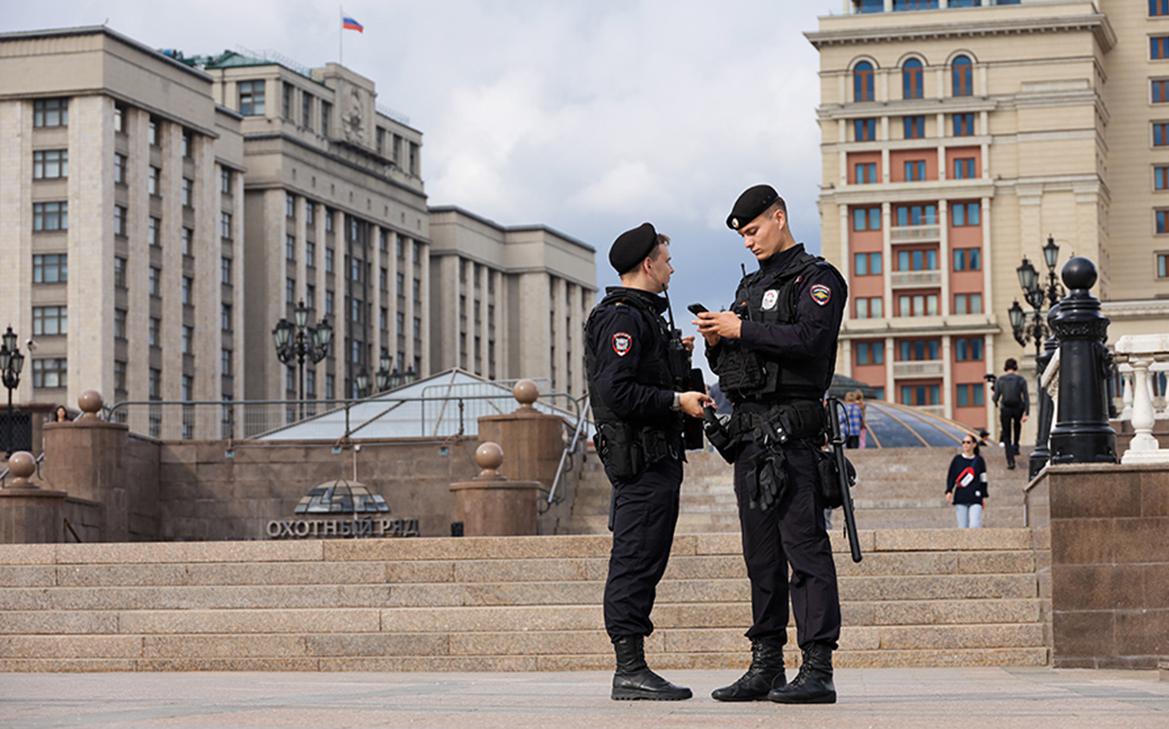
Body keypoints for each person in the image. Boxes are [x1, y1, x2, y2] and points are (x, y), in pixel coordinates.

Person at [695, 184, 847, 705]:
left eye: (754, 230)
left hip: (794, 435)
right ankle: (766, 663)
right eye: (742, 235)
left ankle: (818, 666)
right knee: (760, 557)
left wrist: (745, 327)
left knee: (804, 551)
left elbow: (810, 341)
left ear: (779, 218)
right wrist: (720, 344)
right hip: (751, 437)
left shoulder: (817, 279)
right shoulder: (748, 289)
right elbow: (738, 369)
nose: (749, 242)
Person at [585, 221, 712, 701]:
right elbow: (616, 390)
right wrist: (675, 400)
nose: (671, 267)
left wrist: (672, 359)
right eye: (666, 259)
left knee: (646, 556)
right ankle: (630, 668)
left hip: (656, 458)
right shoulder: (622, 317)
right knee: (635, 559)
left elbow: (635, 376)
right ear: (648, 264)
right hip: (641, 461)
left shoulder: (643, 318)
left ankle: (634, 666)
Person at [993, 358, 1029, 470]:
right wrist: (1027, 412)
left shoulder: (1000, 380)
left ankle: (1010, 461)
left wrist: (995, 402)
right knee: (1017, 425)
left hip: (1006, 409)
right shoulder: (1021, 380)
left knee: (1006, 434)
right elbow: (1026, 397)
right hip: (1018, 407)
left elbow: (996, 397)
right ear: (1015, 367)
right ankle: (1016, 446)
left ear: (1005, 367)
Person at [946, 434, 988, 528]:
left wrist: (984, 495)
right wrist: (949, 490)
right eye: (963, 442)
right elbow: (951, 476)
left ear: (974, 445)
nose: (965, 444)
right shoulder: (957, 460)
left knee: (974, 525)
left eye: (968, 442)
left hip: (975, 496)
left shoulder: (979, 460)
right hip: (961, 496)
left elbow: (983, 478)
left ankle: (975, 543)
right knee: (962, 527)